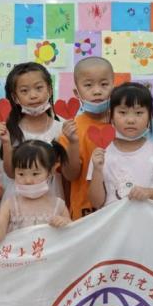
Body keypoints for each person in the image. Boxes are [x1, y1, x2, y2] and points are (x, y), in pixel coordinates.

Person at [88, 82, 153, 209]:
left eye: (139, 113)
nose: (130, 120)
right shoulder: (101, 154)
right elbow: (96, 203)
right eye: (122, 112)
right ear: (111, 115)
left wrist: (150, 193)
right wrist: (97, 170)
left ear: (150, 116)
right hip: (115, 221)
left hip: (147, 220)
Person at [0, 63, 71, 200]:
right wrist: (6, 143)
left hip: (52, 202)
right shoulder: (9, 131)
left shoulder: (63, 128)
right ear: (15, 97)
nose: (33, 95)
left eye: (39, 88)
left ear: (49, 90)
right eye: (24, 91)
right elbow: (9, 174)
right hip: (17, 203)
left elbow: (70, 174)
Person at [57, 56, 114, 219]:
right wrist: (73, 142)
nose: (97, 91)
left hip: (119, 209)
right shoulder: (71, 129)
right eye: (88, 85)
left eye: (104, 84)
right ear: (77, 92)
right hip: (84, 212)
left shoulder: (123, 124)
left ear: (113, 87)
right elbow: (70, 175)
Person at [0, 140, 70, 243]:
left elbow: (71, 237)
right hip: (18, 253)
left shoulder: (59, 205)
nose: (28, 180)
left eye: (35, 174)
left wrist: (66, 223)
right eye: (21, 174)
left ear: (50, 171)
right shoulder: (10, 205)